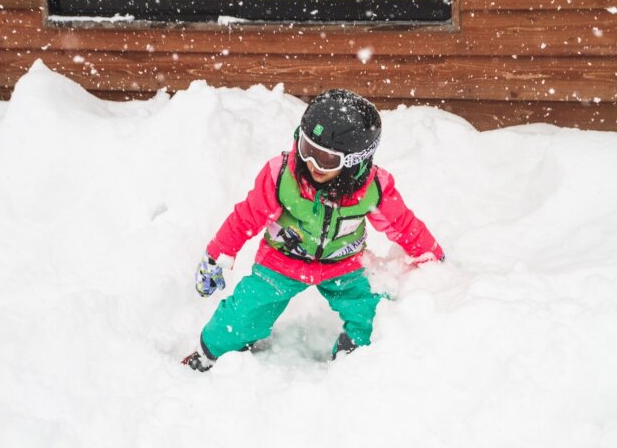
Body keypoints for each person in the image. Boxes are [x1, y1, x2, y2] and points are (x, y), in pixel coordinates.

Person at [182, 89, 444, 372]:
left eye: (327, 160)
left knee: (370, 311)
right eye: (308, 150)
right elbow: (245, 217)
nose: (314, 165)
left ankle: (355, 358)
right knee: (245, 312)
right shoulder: (282, 176)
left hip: (344, 265)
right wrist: (216, 256)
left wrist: (434, 260)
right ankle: (210, 353)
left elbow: (403, 225)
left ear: (354, 160)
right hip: (281, 262)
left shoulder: (373, 188)